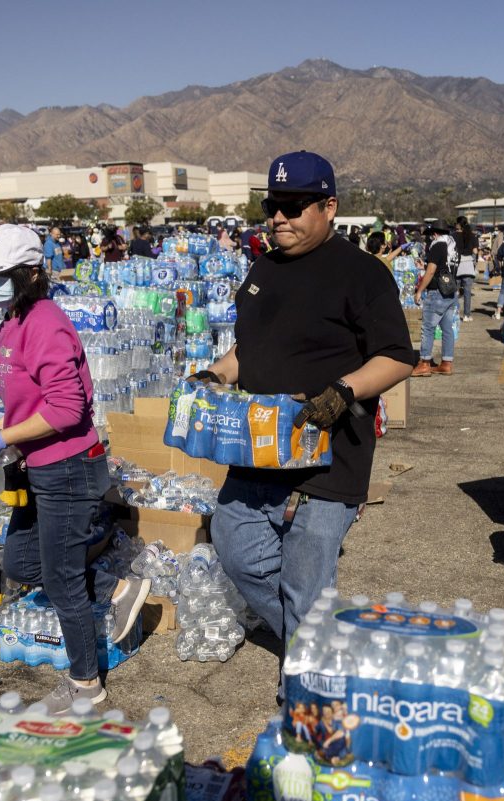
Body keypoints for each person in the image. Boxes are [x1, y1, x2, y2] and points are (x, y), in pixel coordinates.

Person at [193, 151, 414, 645]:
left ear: (328, 207)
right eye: (274, 205)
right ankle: (315, 642)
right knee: (235, 551)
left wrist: (343, 391)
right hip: (256, 451)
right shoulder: (263, 270)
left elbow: (398, 356)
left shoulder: (362, 273)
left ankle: (309, 679)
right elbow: (248, 349)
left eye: (295, 206)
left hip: (327, 460)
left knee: (305, 585)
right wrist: (215, 373)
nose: (279, 217)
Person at [0, 223, 150, 710]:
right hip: (39, 465)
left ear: (29, 273)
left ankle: (86, 685)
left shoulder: (44, 322)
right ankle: (117, 589)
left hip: (68, 466)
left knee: (64, 579)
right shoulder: (11, 320)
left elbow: (67, 409)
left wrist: (4, 436)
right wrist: (4, 435)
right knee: (23, 563)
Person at [412, 220, 461, 376]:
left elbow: (432, 271)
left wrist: (420, 290)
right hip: (450, 291)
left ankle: (424, 363)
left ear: (434, 234)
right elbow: (443, 267)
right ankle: (446, 363)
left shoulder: (438, 245)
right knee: (447, 329)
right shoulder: (452, 245)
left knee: (428, 328)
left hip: (437, 292)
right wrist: (424, 266)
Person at [454, 217, 478, 316]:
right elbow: (475, 251)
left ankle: (454, 313)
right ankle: (467, 315)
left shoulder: (453, 236)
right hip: (468, 264)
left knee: (455, 292)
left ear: (458, 224)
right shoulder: (472, 236)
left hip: (457, 264)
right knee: (467, 293)